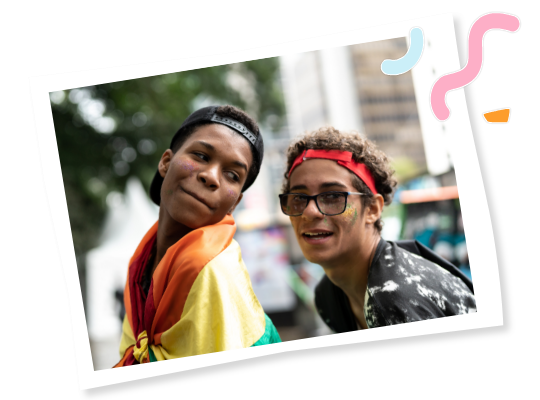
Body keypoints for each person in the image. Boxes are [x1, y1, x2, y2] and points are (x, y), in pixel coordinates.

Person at [114, 105, 281, 367]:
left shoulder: (212, 269)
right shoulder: (142, 260)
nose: (210, 176)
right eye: (201, 156)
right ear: (166, 162)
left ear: (235, 202)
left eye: (232, 175)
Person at [278, 127, 476, 332]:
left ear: (372, 209)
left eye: (332, 197)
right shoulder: (328, 297)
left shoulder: (395, 296)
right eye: (299, 198)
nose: (309, 212)